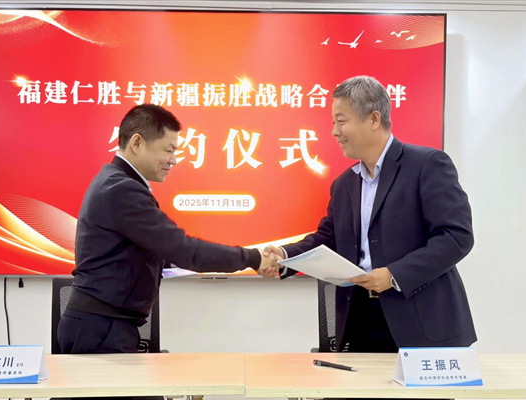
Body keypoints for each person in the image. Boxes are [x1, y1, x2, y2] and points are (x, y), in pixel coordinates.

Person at [262, 76, 476, 352]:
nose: (334, 132)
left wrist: (394, 274)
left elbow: (456, 236)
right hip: (359, 320)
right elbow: (328, 239)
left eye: (341, 121)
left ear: (374, 119)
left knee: (415, 385)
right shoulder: (344, 184)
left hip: (420, 321)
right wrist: (284, 256)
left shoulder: (427, 164)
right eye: (333, 123)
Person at [58, 104, 275, 354]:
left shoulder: (116, 182)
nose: (174, 159)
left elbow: (157, 253)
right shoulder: (121, 189)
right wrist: (253, 258)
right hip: (101, 329)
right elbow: (183, 250)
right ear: (137, 143)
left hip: (105, 325)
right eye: (168, 150)